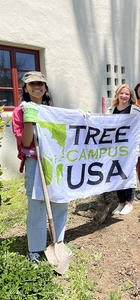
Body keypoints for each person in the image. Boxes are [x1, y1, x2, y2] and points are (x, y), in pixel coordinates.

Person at [12, 71, 69, 264]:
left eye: (41, 84)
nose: (37, 87)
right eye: (32, 84)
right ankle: (35, 249)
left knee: (60, 201)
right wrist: (29, 119)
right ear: (25, 88)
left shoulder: (52, 111)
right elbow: (26, 141)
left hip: (54, 162)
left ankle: (58, 240)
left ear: (45, 88)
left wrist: (82, 118)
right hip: (34, 162)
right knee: (36, 206)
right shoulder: (20, 111)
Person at [106, 84, 140, 215]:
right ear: (117, 95)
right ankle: (121, 202)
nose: (124, 96)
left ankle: (129, 202)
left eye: (127, 94)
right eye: (121, 93)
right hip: (116, 149)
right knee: (116, 173)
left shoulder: (135, 110)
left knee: (128, 173)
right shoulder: (111, 110)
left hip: (130, 149)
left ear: (130, 96)